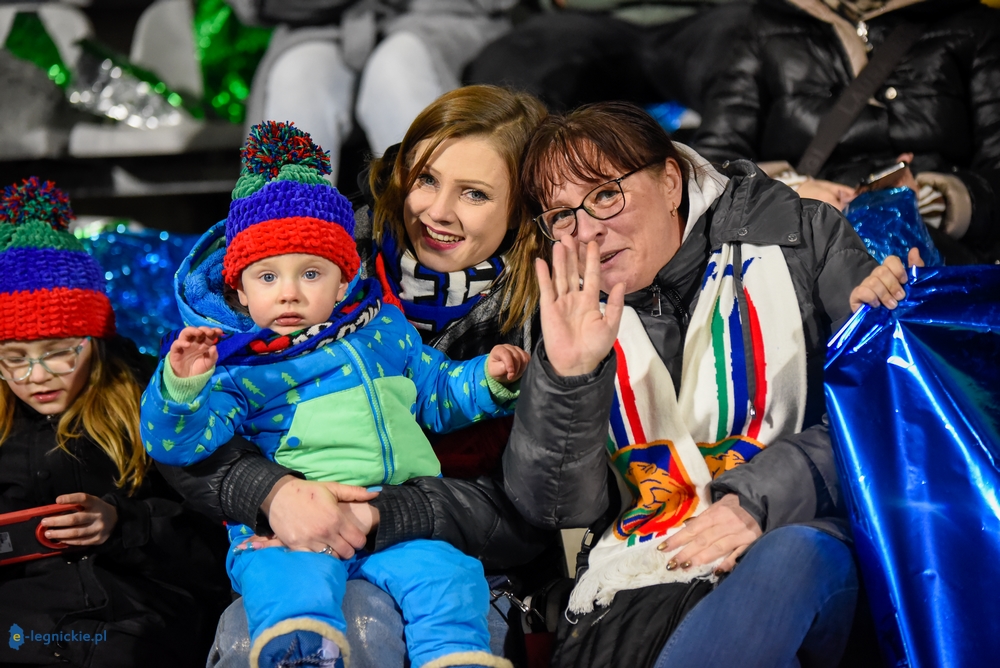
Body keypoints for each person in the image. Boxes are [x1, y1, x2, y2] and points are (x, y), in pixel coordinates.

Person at [155, 85, 554, 668]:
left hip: (459, 553)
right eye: (426, 179)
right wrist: (270, 492)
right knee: (286, 630)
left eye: (474, 193)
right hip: (296, 539)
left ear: (520, 207)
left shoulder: (548, 304)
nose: (438, 212)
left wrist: (386, 513)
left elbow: (538, 502)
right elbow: (184, 438)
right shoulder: (312, 247)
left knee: (418, 614)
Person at [504, 102, 879, 667]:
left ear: (671, 182)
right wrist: (569, 377)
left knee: (794, 555)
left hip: (807, 536)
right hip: (637, 576)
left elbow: (879, 413)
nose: (587, 232)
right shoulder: (566, 308)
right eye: (561, 215)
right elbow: (554, 507)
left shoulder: (803, 235)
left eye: (605, 195)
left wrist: (756, 501)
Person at [0, 177, 230, 668]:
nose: (35, 376)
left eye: (59, 353)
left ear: (95, 342)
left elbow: (214, 544)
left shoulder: (154, 403)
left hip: (141, 623)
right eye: (13, 358)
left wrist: (121, 524)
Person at [692, 0, 1000, 263]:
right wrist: (789, 194)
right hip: (804, 248)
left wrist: (943, 200)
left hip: (937, 250)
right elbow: (707, 171)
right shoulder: (763, 25)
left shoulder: (976, 25)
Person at [232, 0, 516, 182]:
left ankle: (436, 242)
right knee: (297, 77)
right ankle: (289, 242)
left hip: (445, 14)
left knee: (396, 72)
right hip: (322, 23)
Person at [465, 0, 751, 116]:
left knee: (757, 50)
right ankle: (534, 189)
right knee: (510, 66)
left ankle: (733, 184)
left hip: (706, 18)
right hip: (584, 20)